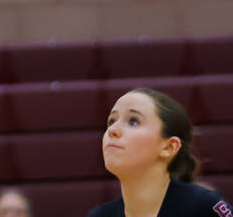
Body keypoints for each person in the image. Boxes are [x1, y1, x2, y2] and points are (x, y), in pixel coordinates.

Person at [89, 88, 231, 217]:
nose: (112, 130)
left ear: (169, 147)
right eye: (111, 121)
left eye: (133, 121)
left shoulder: (204, 207)